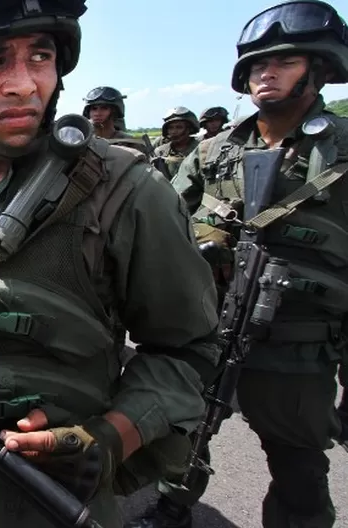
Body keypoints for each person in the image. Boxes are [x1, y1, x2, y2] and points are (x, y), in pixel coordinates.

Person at [0, 1, 221, 526]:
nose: (25, 84)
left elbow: (190, 350)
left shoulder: (125, 190)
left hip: (54, 494)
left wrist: (110, 437)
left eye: (40, 56)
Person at [133, 2, 348, 527]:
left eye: (284, 62)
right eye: (256, 66)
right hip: (213, 326)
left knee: (296, 465)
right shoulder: (214, 152)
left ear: (319, 69)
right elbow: (165, 221)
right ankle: (172, 507)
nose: (265, 74)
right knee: (187, 432)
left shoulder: (341, 151)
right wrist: (205, 240)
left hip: (300, 345)